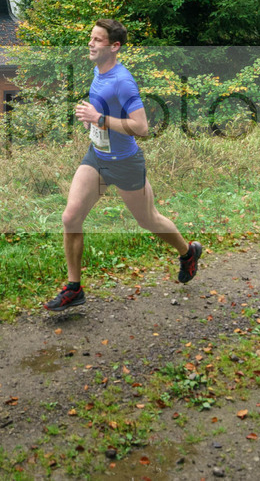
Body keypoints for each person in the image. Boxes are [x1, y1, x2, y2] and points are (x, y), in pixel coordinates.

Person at [43, 19, 202, 311]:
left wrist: (99, 119)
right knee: (71, 217)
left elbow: (141, 127)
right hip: (97, 157)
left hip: (126, 163)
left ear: (115, 46)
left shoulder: (123, 81)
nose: (90, 43)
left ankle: (187, 252)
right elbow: (104, 108)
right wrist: (93, 117)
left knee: (148, 220)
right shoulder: (98, 71)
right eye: (90, 38)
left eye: (97, 40)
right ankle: (74, 288)